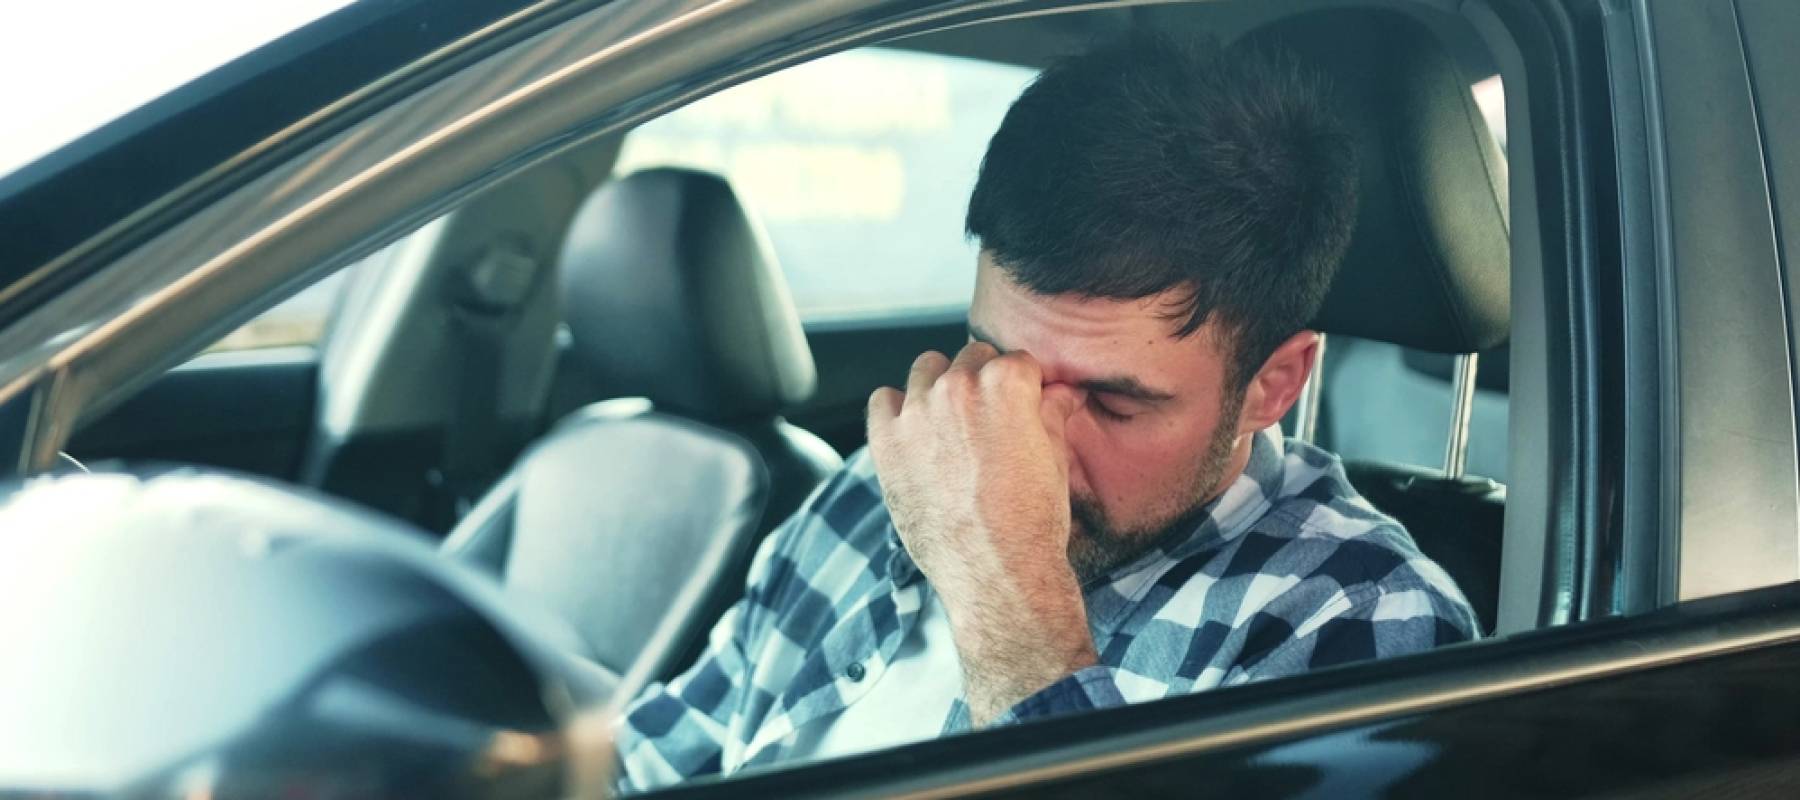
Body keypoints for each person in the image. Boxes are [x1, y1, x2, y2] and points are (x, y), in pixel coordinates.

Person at [613, 33, 1477, 791]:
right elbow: (652, 762)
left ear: (1273, 384)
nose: (1022, 441)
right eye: (997, 364)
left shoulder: (1359, 620)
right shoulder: (883, 483)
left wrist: (1008, 596)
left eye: (1111, 400)